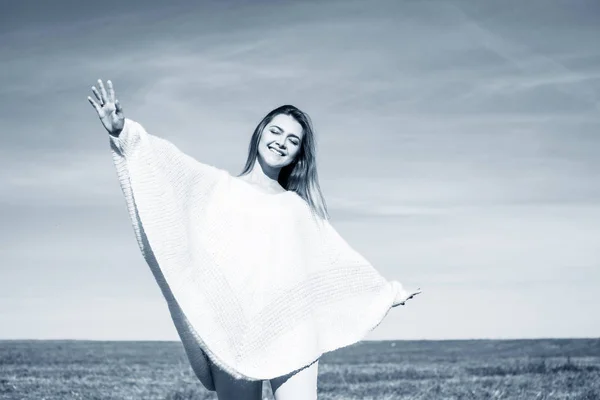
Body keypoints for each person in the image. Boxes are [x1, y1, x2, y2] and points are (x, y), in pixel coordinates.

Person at [87, 79, 421, 400]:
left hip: (293, 328)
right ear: (260, 133)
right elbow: (168, 172)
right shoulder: (218, 187)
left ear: (298, 154)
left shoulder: (297, 208)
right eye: (276, 131)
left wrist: (385, 294)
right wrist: (124, 133)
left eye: (292, 140)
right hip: (235, 329)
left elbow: (335, 261)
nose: (281, 142)